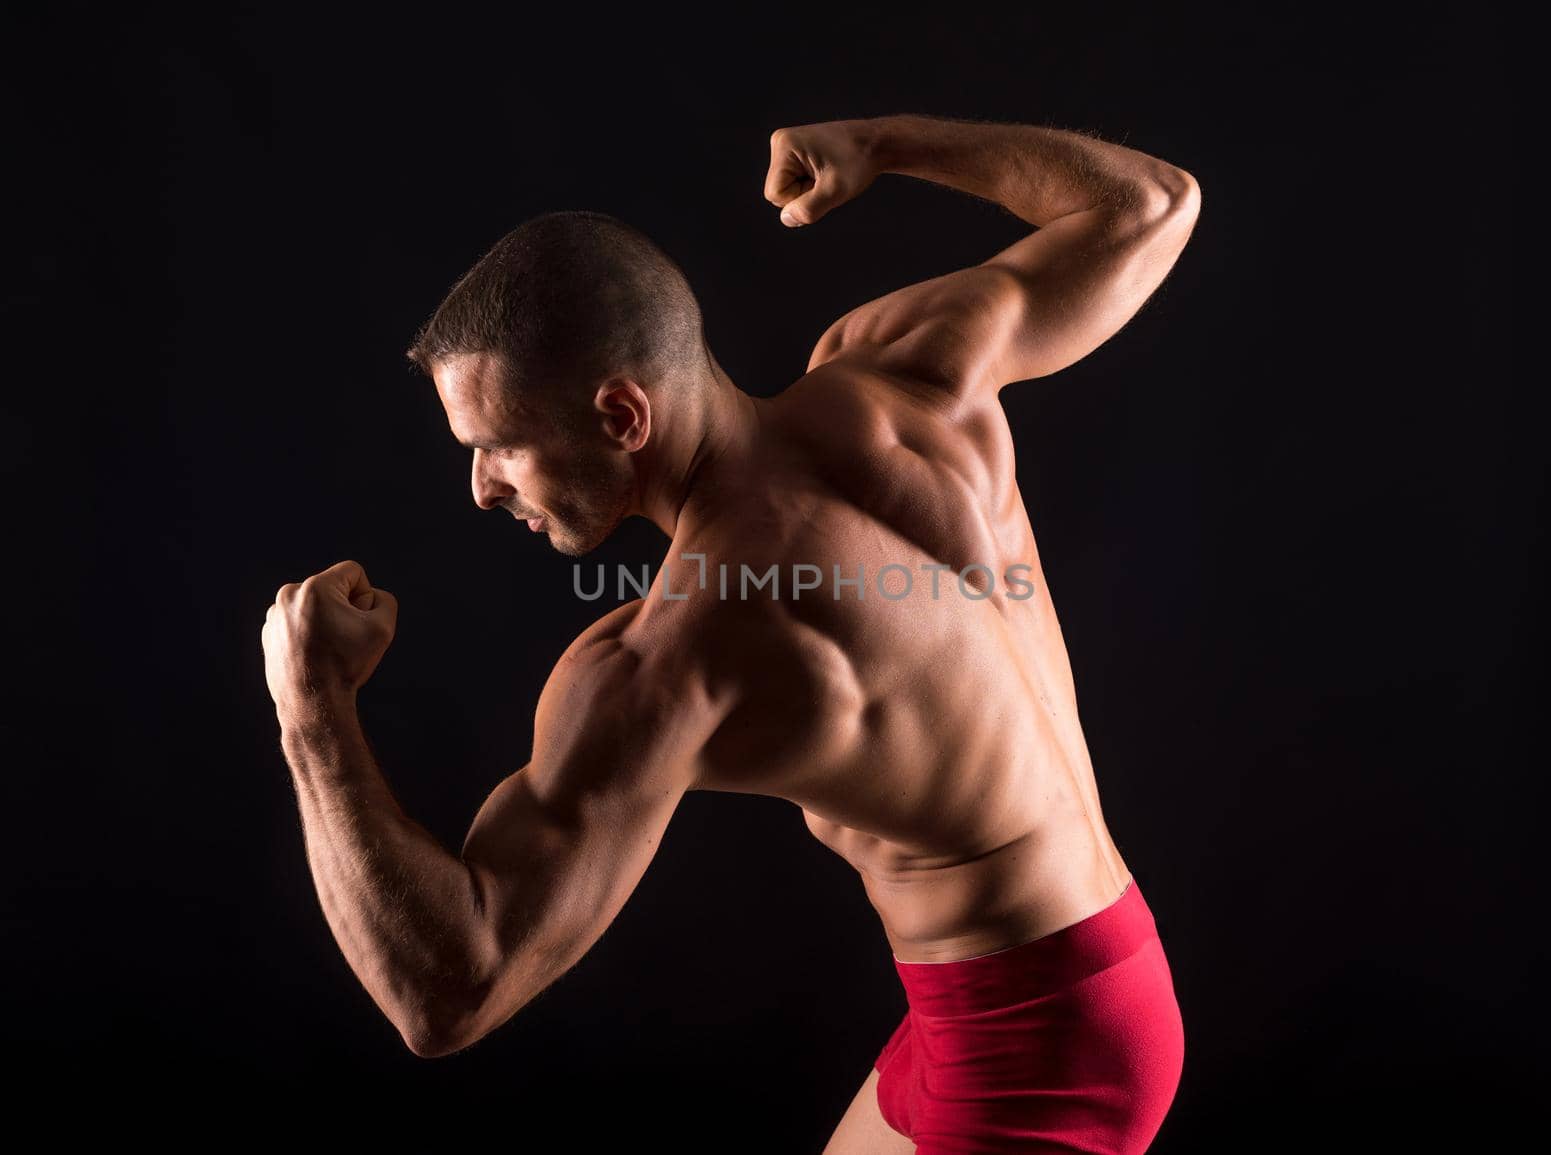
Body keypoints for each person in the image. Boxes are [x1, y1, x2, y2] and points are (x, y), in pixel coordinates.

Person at [262, 112, 1200, 1153]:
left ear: (622, 416)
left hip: (1032, 1051)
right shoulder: (902, 374)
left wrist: (311, 711)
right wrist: (885, 144)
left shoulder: (674, 656)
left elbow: (451, 992)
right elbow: (1147, 204)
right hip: (1049, 984)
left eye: (502, 449)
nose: (482, 491)